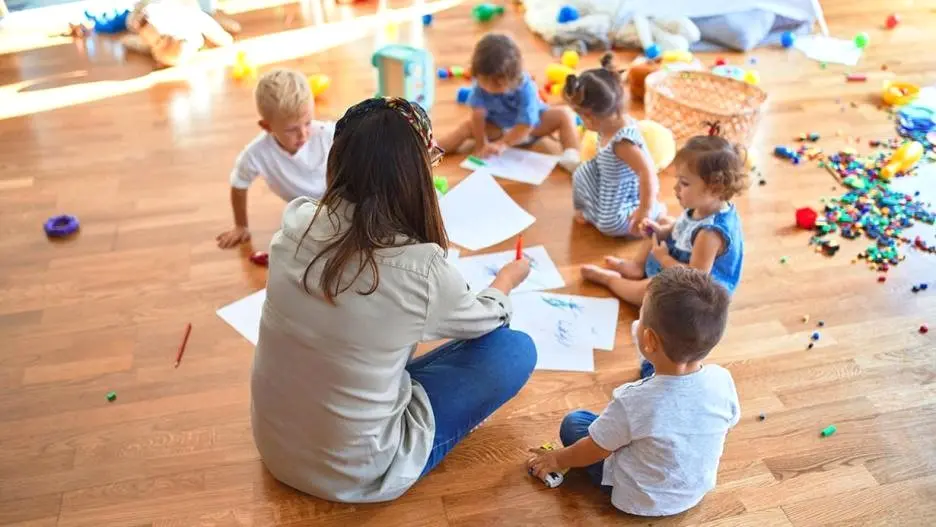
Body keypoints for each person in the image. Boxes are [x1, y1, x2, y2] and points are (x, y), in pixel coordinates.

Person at [250, 97, 538, 503]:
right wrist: (506, 281)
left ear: (338, 163)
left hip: (277, 446)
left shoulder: (298, 221)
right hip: (358, 472)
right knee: (513, 349)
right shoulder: (421, 270)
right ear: (417, 174)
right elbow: (487, 321)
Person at [527, 267, 740, 517]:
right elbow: (727, 423)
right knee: (636, 426)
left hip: (638, 497)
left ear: (648, 340)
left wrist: (557, 460)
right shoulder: (722, 379)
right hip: (693, 492)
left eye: (640, 318)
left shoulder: (633, 399)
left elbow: (594, 450)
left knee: (574, 423)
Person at [581, 122, 746, 306]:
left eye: (684, 183)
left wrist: (664, 258)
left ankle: (612, 281)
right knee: (662, 220)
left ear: (714, 188)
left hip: (699, 294)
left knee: (651, 289)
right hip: (681, 262)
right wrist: (661, 231)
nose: (675, 188)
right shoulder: (704, 205)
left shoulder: (710, 234)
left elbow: (695, 279)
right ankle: (637, 266)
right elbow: (682, 226)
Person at [216, 69, 335, 248]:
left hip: (341, 200)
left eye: (308, 122)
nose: (303, 134)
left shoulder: (328, 134)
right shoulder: (256, 154)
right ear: (266, 126)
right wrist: (241, 226)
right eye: (291, 129)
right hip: (304, 213)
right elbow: (239, 184)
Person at [437, 33, 581, 172]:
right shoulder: (480, 83)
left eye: (496, 85)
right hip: (498, 128)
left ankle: (571, 155)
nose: (487, 88)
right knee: (466, 128)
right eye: (483, 82)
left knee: (565, 114)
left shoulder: (527, 88)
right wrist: (481, 143)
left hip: (532, 129)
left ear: (513, 78)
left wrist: (503, 144)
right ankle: (431, 151)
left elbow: (527, 124)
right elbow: (477, 115)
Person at [564, 54, 665, 237]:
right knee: (580, 172)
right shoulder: (608, 123)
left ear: (590, 117)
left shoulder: (623, 143)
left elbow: (647, 171)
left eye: (580, 116)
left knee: (609, 225)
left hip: (626, 195)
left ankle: (656, 214)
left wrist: (644, 209)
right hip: (608, 182)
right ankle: (592, 211)